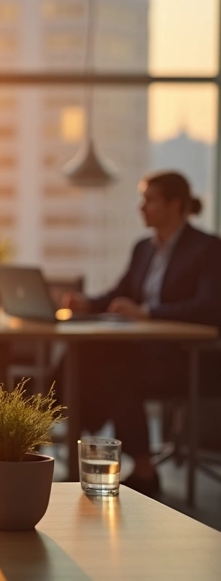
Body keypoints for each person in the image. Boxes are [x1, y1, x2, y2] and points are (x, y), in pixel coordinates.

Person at [61, 171, 221, 496]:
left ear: (175, 205)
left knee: (116, 371)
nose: (141, 207)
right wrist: (87, 303)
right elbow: (122, 292)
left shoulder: (207, 249)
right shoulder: (143, 249)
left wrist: (148, 313)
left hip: (189, 358)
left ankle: (143, 468)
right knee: (85, 353)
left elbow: (209, 307)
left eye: (149, 199)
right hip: (146, 352)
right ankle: (77, 443)